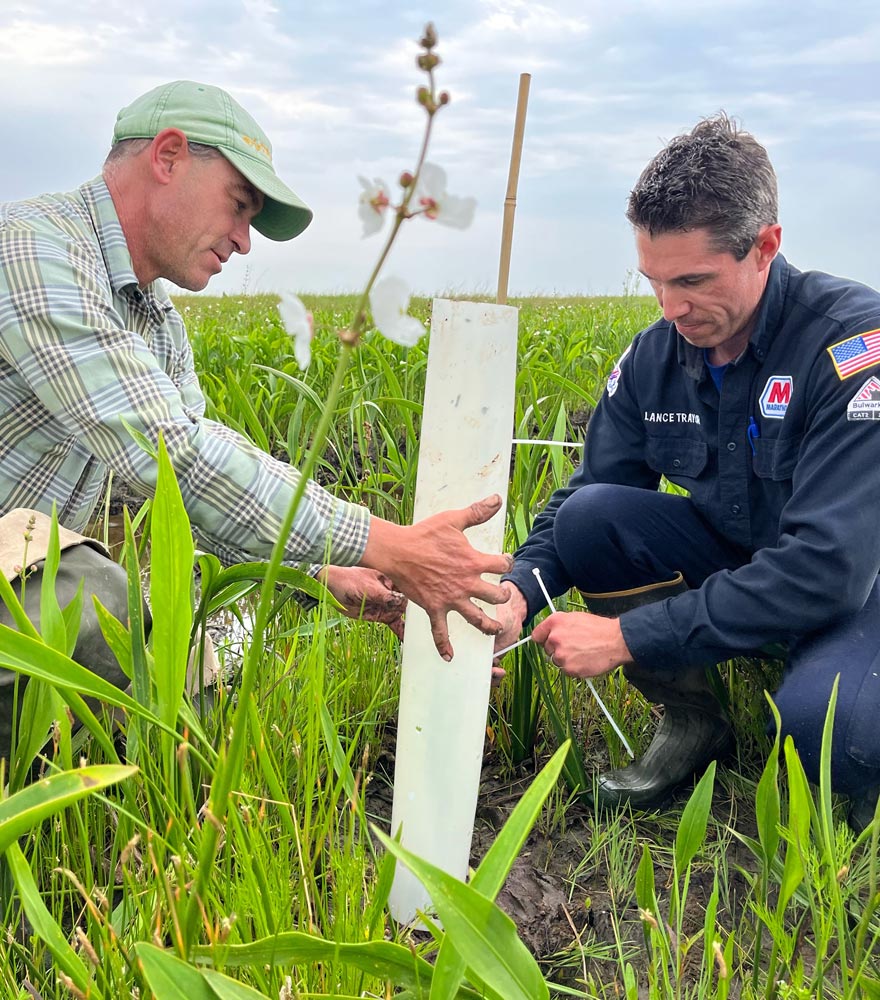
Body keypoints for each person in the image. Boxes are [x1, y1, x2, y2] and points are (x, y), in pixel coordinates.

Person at [0, 80, 512, 736]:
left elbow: (181, 497)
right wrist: (390, 546)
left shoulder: (155, 322)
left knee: (183, 668)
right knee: (92, 597)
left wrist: (326, 570)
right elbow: (169, 452)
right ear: (168, 157)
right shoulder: (31, 249)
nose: (245, 242)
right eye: (239, 207)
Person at [494, 114, 880, 831]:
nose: (672, 308)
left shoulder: (854, 349)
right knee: (590, 519)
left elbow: (830, 569)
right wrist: (519, 590)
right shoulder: (657, 355)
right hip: (747, 556)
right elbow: (587, 495)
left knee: (825, 731)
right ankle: (694, 720)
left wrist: (626, 638)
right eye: (656, 282)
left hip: (860, 589)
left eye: (694, 281)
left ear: (766, 247)